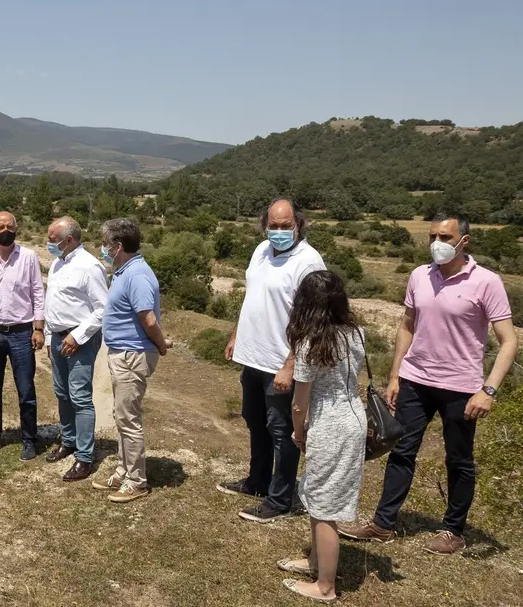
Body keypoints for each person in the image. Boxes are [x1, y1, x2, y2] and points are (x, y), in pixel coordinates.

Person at [341, 214, 517, 556]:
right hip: (416, 380)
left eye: (446, 237)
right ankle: (383, 524)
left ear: (464, 241)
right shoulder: (419, 276)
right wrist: (395, 375)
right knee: (401, 452)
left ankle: (454, 531)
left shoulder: (487, 282)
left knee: (459, 460)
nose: (437, 242)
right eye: (433, 235)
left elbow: (508, 341)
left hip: (461, 387)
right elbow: (407, 325)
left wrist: (489, 389)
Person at [218, 198, 326, 524]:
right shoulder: (261, 250)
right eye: (273, 226)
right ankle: (257, 481)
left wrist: (291, 365)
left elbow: (312, 320)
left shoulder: (309, 262)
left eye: (285, 226)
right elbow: (254, 296)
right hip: (253, 356)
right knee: (254, 420)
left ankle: (280, 499)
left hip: (281, 361)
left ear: (299, 225)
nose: (278, 232)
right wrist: (237, 334)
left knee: (282, 431)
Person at [277, 270, 367, 603]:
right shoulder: (356, 332)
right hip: (354, 418)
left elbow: (300, 403)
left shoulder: (309, 342)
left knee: (323, 508)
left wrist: (298, 432)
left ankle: (325, 586)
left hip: (328, 426)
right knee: (320, 497)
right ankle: (315, 561)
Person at [92, 218, 172, 503]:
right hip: (123, 352)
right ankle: (123, 471)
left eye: (105, 244)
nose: (102, 249)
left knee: (128, 419)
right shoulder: (124, 271)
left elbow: (147, 318)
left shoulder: (137, 275)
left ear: (118, 246)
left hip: (131, 354)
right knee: (121, 415)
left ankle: (137, 481)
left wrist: (161, 345)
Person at [0, 211, 47, 461]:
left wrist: (38, 328)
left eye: (9, 226)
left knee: (25, 389)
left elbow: (38, 293)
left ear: (17, 228)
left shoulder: (28, 257)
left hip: (22, 332)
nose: (5, 230)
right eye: (0, 226)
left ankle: (29, 439)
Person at [43, 216, 109, 481]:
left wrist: (77, 336)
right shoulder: (58, 263)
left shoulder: (90, 266)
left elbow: (103, 309)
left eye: (51, 238)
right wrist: (50, 338)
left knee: (79, 396)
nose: (47, 242)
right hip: (58, 338)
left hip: (79, 341)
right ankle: (68, 440)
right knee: (61, 393)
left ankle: (85, 457)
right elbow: (53, 303)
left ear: (68, 240)